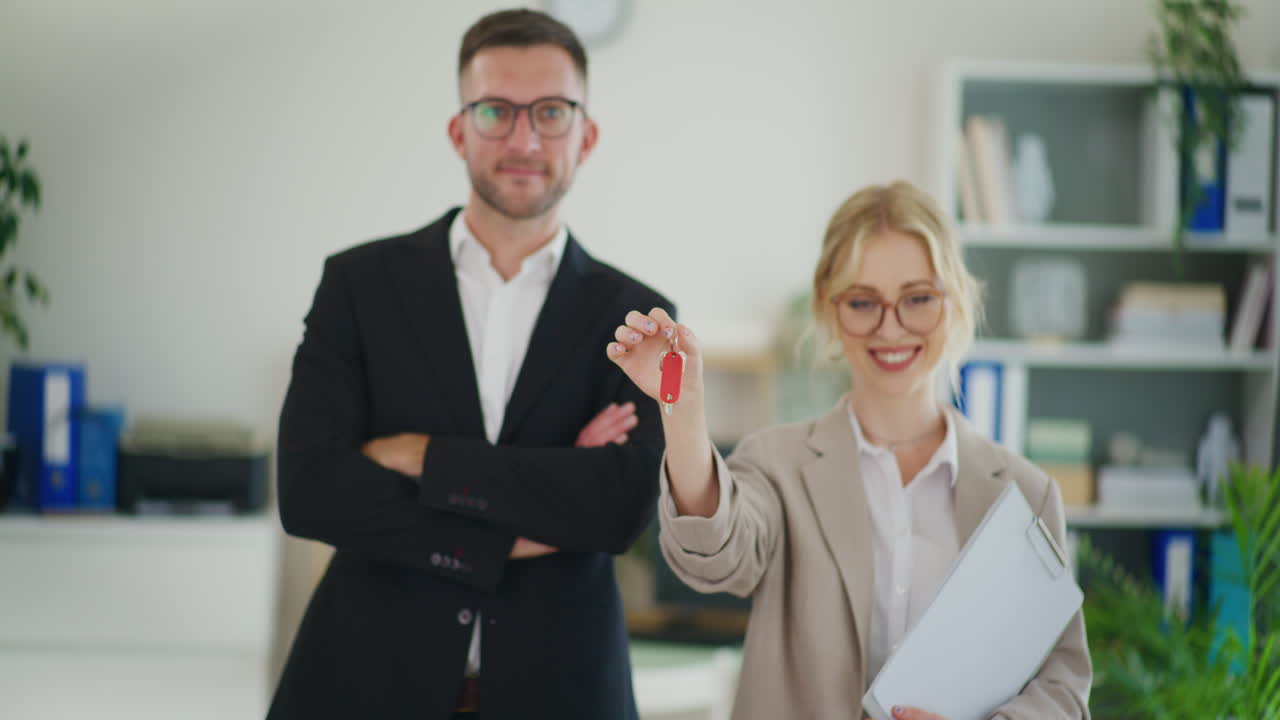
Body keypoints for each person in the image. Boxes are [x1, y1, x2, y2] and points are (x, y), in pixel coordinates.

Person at [269, 9, 673, 719]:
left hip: (562, 691)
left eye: (551, 111)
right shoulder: (359, 285)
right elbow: (311, 489)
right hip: (364, 682)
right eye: (496, 110)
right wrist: (533, 512)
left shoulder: (640, 316)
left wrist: (422, 456)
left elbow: (618, 509)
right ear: (460, 130)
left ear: (588, 135)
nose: (523, 138)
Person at [608, 181, 1091, 720]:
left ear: (956, 303)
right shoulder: (776, 464)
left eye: (918, 299)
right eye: (863, 302)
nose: (891, 327)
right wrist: (684, 410)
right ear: (829, 310)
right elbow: (717, 558)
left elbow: (1063, 684)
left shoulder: (1025, 493)